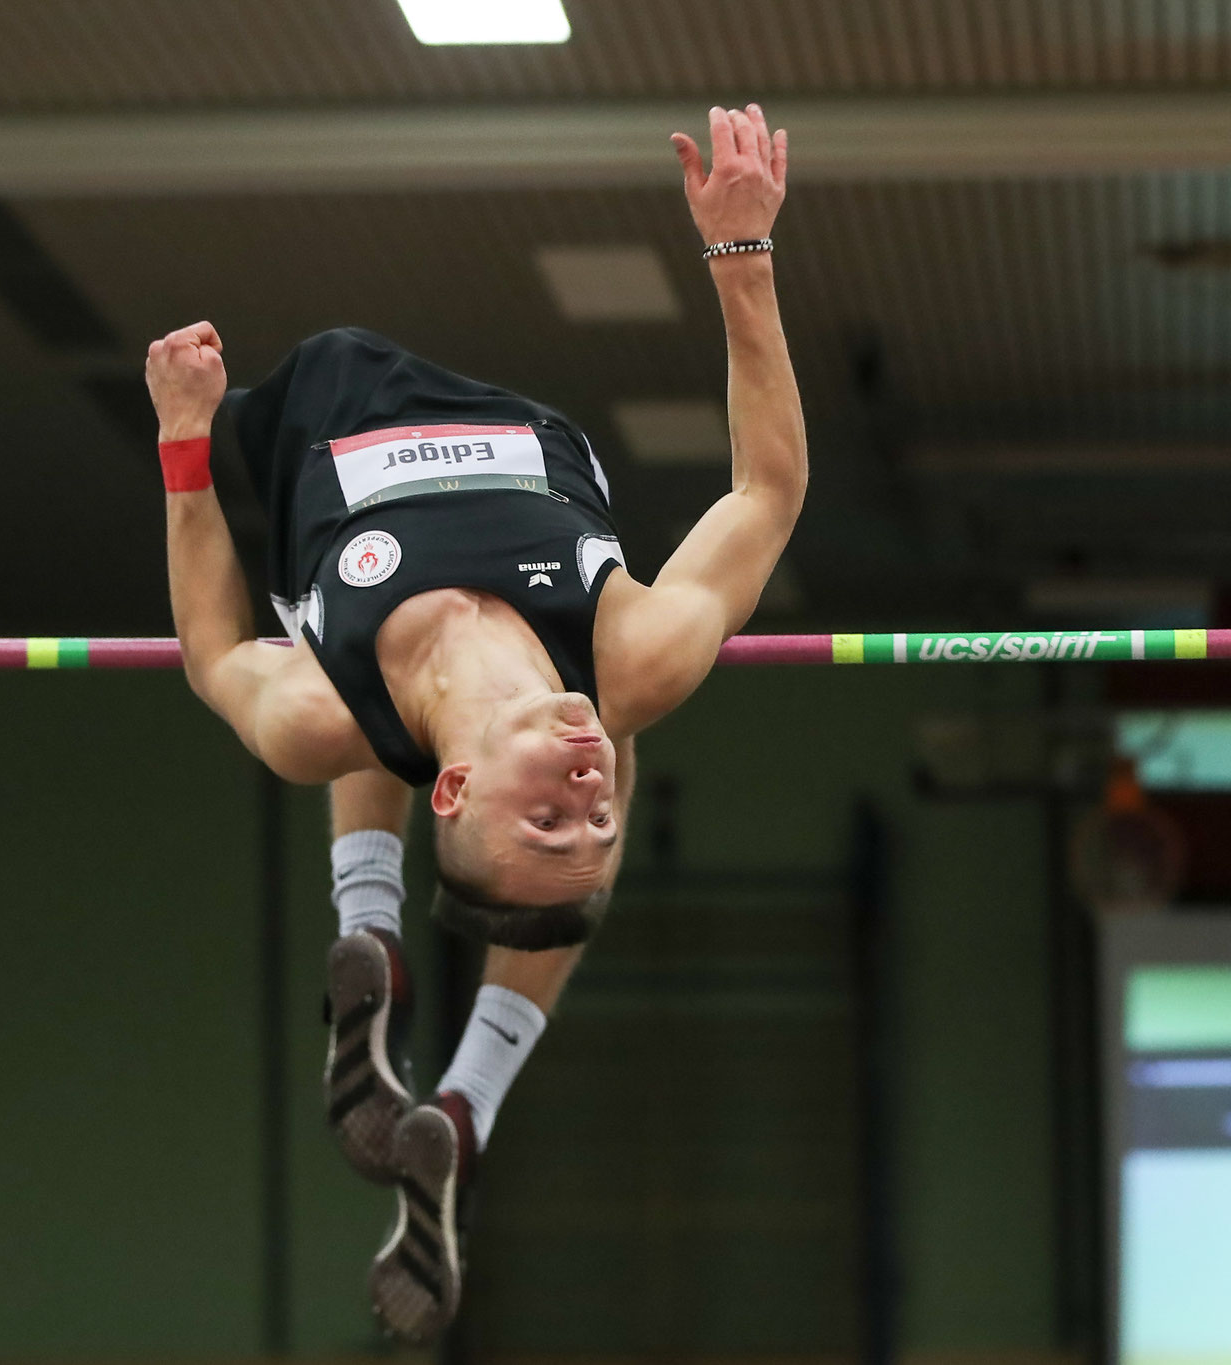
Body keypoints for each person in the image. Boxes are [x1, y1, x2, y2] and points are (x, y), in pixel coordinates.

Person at [145, 104, 804, 1341]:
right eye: (598, 813)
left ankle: (367, 919)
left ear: (455, 795)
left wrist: (184, 441)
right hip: (520, 435)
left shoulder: (309, 711)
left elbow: (210, 653)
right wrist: (740, 255)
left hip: (318, 422)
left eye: (547, 810)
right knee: (605, 711)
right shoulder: (626, 664)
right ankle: (469, 1100)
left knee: (365, 714)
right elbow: (765, 488)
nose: (586, 778)